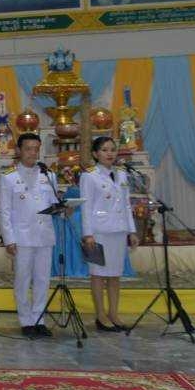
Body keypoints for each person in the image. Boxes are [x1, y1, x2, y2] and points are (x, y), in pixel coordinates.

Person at [0, 133, 63, 338]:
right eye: (28, 148)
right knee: (23, 279)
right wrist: (9, 239)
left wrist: (63, 208)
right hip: (22, 236)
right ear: (19, 150)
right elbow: (5, 211)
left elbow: (53, 203)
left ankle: (39, 319)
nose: (33, 153)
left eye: (36, 148)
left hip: (44, 235)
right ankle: (26, 321)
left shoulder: (48, 175)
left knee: (43, 279)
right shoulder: (9, 177)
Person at [79, 137, 138, 332]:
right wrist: (87, 234)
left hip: (118, 231)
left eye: (112, 149)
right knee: (98, 275)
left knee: (115, 275)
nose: (110, 153)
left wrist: (132, 230)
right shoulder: (89, 175)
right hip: (99, 231)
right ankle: (101, 316)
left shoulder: (121, 174)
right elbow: (85, 206)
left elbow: (126, 204)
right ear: (96, 154)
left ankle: (114, 314)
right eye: (104, 150)